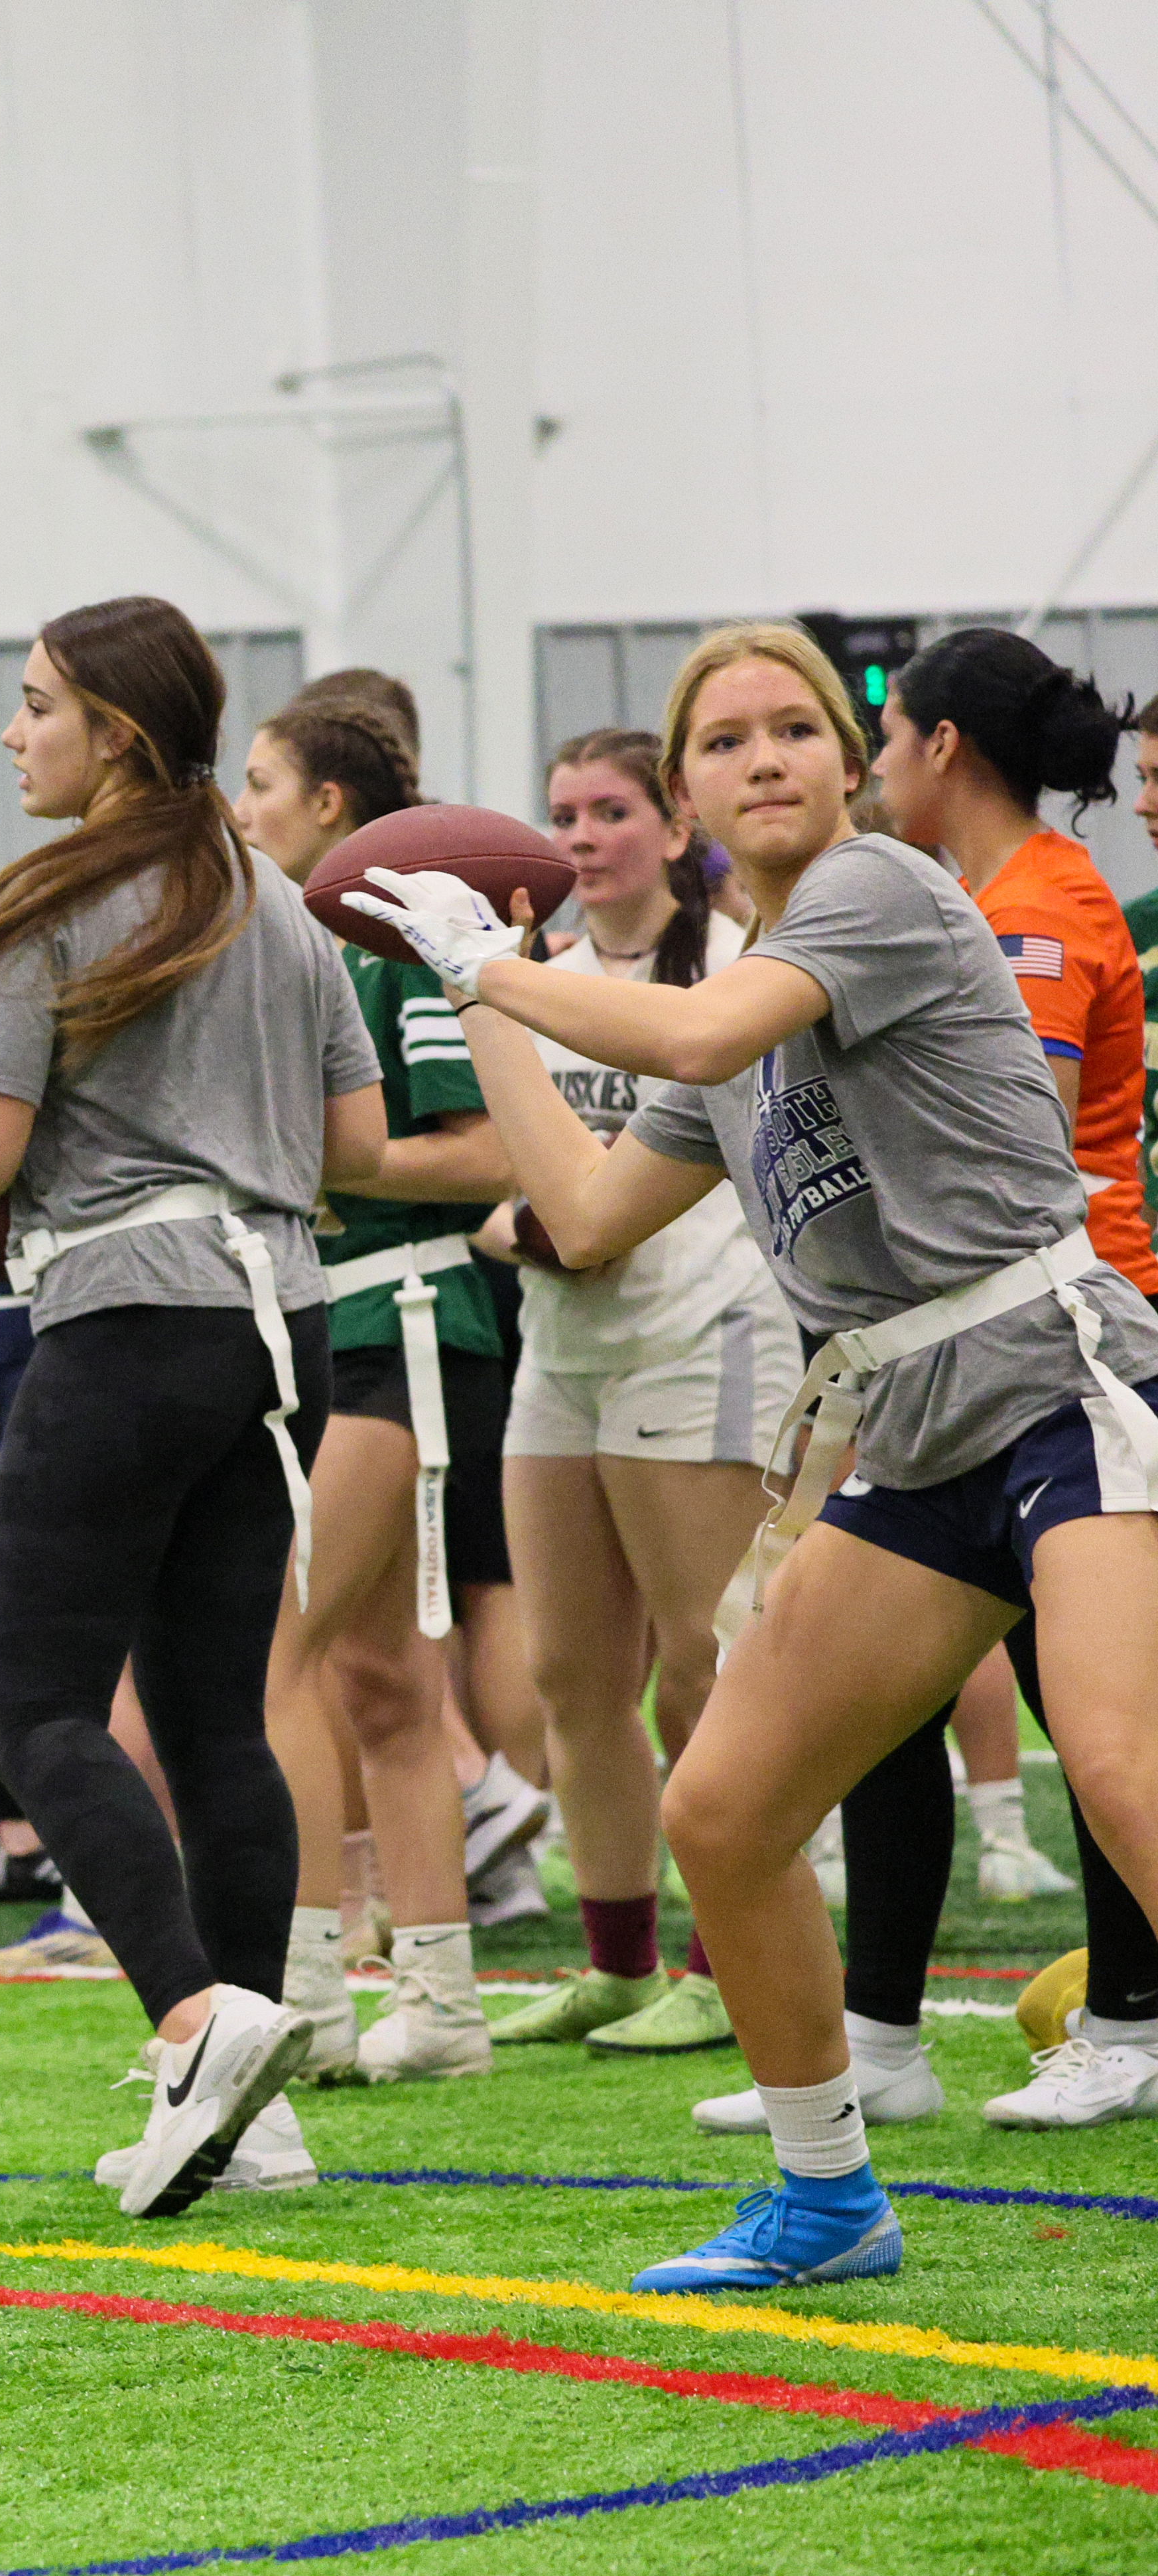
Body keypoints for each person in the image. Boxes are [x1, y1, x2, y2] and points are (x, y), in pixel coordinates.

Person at [350, 620, 1158, 2289]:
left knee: (1128, 1770)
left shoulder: (873, 893)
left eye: (797, 725)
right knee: (723, 1807)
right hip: (912, 1423)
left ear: (857, 762)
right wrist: (469, 981)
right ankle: (827, 2196)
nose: (769, 754)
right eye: (726, 740)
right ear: (689, 790)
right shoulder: (722, 1008)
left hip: (1055, 1368)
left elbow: (703, 1042)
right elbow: (577, 1210)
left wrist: (495, 971)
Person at [0, 595, 384, 2217]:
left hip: (124, 1311)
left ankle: (197, 2021)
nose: (11, 731)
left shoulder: (45, 903)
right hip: (284, 1326)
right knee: (213, 1714)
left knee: (31, 1703)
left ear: (115, 728)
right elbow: (355, 1147)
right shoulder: (283, 899)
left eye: (34, 702)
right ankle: (258, 2110)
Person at [740, 625, 1158, 2136]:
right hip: (935, 1368)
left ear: (931, 751)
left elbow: (1016, 1127)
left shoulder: (1023, 900)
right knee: (815, 1744)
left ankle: (1127, 2009)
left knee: (1106, 1738)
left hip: (1059, 1343)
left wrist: (492, 979)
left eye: (857, 731)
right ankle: (875, 2051)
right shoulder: (956, 896)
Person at [477, 730, 792, 2057]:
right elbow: (502, 1171)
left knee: (702, 1658)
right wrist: (517, 1224)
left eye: (612, 810)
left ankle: (728, 1961)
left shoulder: (734, 966)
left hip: (702, 1329)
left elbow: (734, 1158)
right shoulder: (529, 979)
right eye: (562, 814)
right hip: (562, 1341)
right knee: (566, 1670)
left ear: (674, 826)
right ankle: (615, 1957)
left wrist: (576, 1212)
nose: (584, 836)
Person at [231, 690, 512, 2081]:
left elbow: (486, 1150)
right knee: (381, 1680)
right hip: (329, 1328)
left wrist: (329, 1165)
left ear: (330, 804)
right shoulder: (278, 942)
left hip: (402, 1318)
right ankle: (443, 2010)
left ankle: (298, 1995)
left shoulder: (391, 943)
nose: (244, 805)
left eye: (264, 779)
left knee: (268, 1647)